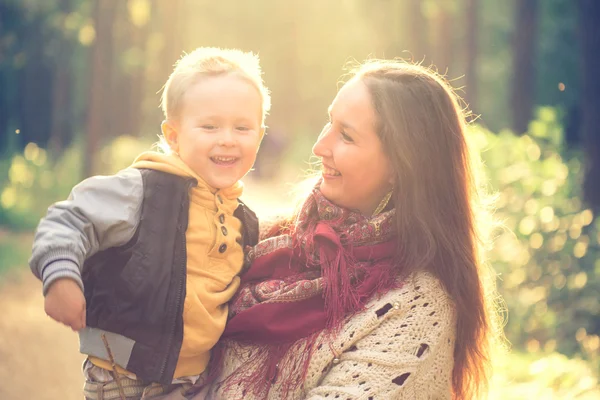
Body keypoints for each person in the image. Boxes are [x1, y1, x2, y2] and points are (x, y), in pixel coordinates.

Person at [194, 60, 500, 400]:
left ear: (402, 167)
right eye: (329, 123)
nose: (320, 147)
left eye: (346, 135)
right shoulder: (268, 236)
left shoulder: (415, 306)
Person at [29, 47, 270, 399]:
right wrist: (60, 273)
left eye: (243, 127)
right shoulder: (142, 190)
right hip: (123, 375)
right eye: (209, 125)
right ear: (173, 136)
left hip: (194, 378)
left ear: (260, 136)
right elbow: (69, 218)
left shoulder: (241, 218)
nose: (228, 138)